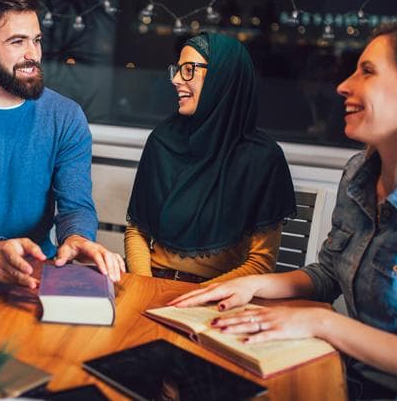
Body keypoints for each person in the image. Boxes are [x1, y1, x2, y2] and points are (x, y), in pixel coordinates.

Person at [170, 22, 397, 399]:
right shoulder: (359, 174)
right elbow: (329, 273)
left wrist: (322, 323)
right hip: (343, 376)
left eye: (367, 71)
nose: (344, 85)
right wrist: (252, 283)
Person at [0, 0, 125, 288]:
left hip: (34, 274)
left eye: (36, 40)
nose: (33, 54)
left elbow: (75, 205)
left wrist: (77, 237)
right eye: (17, 42)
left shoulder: (65, 116)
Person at [125, 33, 296, 284]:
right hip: (153, 281)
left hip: (219, 293)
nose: (175, 79)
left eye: (188, 70)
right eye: (177, 69)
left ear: (222, 77)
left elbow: (260, 263)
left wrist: (198, 297)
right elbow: (137, 231)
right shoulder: (162, 141)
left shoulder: (261, 159)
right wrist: (146, 286)